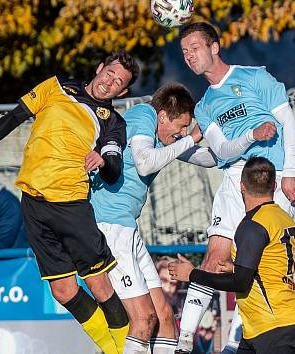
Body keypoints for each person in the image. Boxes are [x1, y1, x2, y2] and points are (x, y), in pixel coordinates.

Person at [0, 51, 140, 354]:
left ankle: (122, 350)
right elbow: (15, 116)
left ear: (122, 92)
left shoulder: (113, 123)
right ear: (99, 68)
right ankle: (112, 349)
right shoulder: (56, 87)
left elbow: (113, 170)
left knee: (99, 286)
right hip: (33, 203)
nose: (109, 82)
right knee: (63, 290)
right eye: (109, 72)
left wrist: (103, 160)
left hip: (71, 207)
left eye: (118, 82)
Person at [176, 22, 295, 353]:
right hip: (236, 178)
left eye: (195, 48)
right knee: (216, 257)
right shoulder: (203, 107)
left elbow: (288, 122)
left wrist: (289, 173)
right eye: (185, 52)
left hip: (271, 178)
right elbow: (222, 151)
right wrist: (177, 150)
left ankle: (235, 345)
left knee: (257, 266)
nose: (190, 56)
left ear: (214, 47)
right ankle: (182, 341)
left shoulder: (255, 77)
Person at [88, 83, 216, 354]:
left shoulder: (163, 139)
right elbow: (145, 162)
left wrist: (240, 144)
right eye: (180, 126)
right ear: (162, 116)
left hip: (127, 229)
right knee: (143, 319)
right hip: (109, 227)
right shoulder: (143, 114)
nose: (182, 132)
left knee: (165, 317)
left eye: (186, 128)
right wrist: (190, 138)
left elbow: (209, 159)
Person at [170, 156, 295, 354]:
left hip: (273, 329)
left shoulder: (252, 225)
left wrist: (192, 274)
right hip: (264, 329)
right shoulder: (284, 218)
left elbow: (240, 282)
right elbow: (268, 266)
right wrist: (237, 267)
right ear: (275, 185)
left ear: (241, 186)